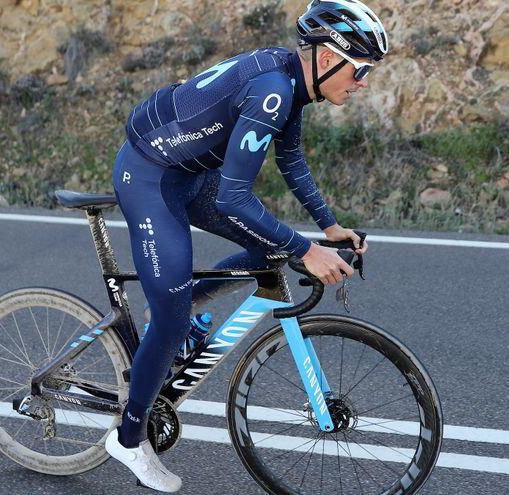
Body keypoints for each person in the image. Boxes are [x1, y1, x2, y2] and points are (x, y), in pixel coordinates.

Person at [104, 0, 389, 491]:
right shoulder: (273, 91)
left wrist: (329, 226)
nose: (363, 82)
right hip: (150, 178)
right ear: (326, 57)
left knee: (271, 247)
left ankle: (177, 314)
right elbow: (235, 200)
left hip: (191, 174)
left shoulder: (292, 83)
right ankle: (129, 439)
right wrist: (307, 250)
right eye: (360, 70)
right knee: (172, 318)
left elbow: (291, 158)